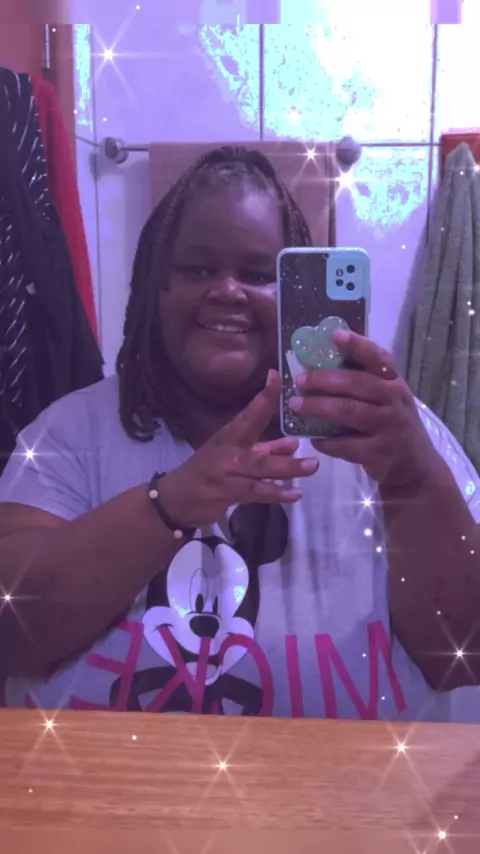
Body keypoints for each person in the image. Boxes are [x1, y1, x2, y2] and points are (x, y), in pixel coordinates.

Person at [0, 145, 479, 720]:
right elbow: (11, 634)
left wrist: (414, 478)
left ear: (296, 294)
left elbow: (464, 656)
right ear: (155, 286)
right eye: (198, 269)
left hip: (353, 782)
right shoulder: (67, 434)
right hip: (104, 780)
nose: (227, 291)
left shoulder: (391, 433)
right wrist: (171, 502)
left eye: (258, 274)